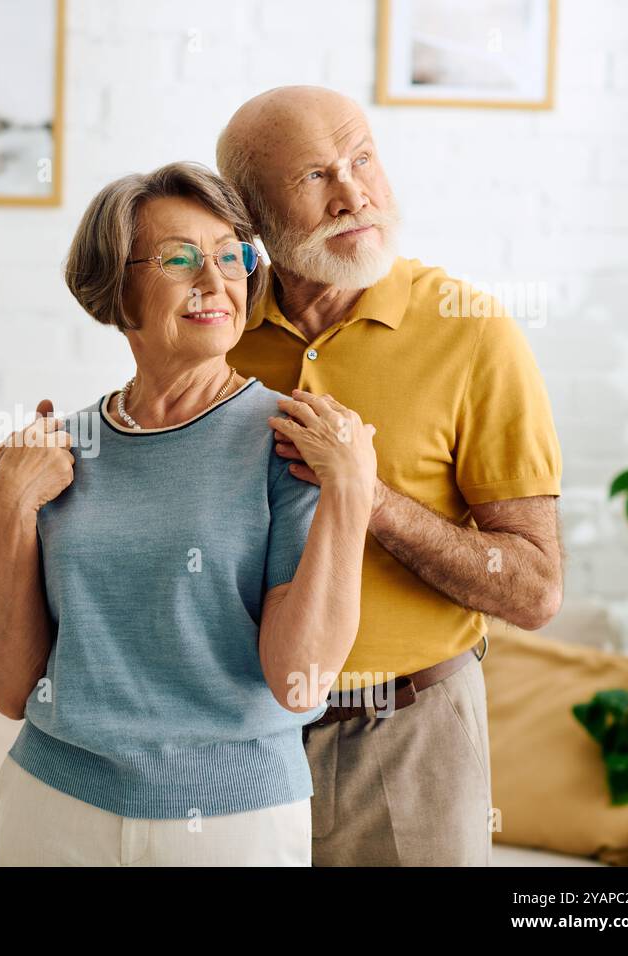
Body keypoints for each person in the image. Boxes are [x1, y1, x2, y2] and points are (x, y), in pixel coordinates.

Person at [0, 161, 378, 866]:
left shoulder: (291, 441)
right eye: (181, 258)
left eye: (231, 256)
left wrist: (350, 491)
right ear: (116, 285)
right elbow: (10, 688)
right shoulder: (63, 450)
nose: (215, 280)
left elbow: (298, 682)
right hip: (56, 801)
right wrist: (6, 509)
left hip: (234, 819)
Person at [213, 85, 565, 865]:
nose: (355, 193)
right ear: (249, 217)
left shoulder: (473, 331)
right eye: (314, 177)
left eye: (362, 157)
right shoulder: (217, 336)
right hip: (237, 740)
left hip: (412, 737)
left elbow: (535, 589)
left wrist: (369, 500)